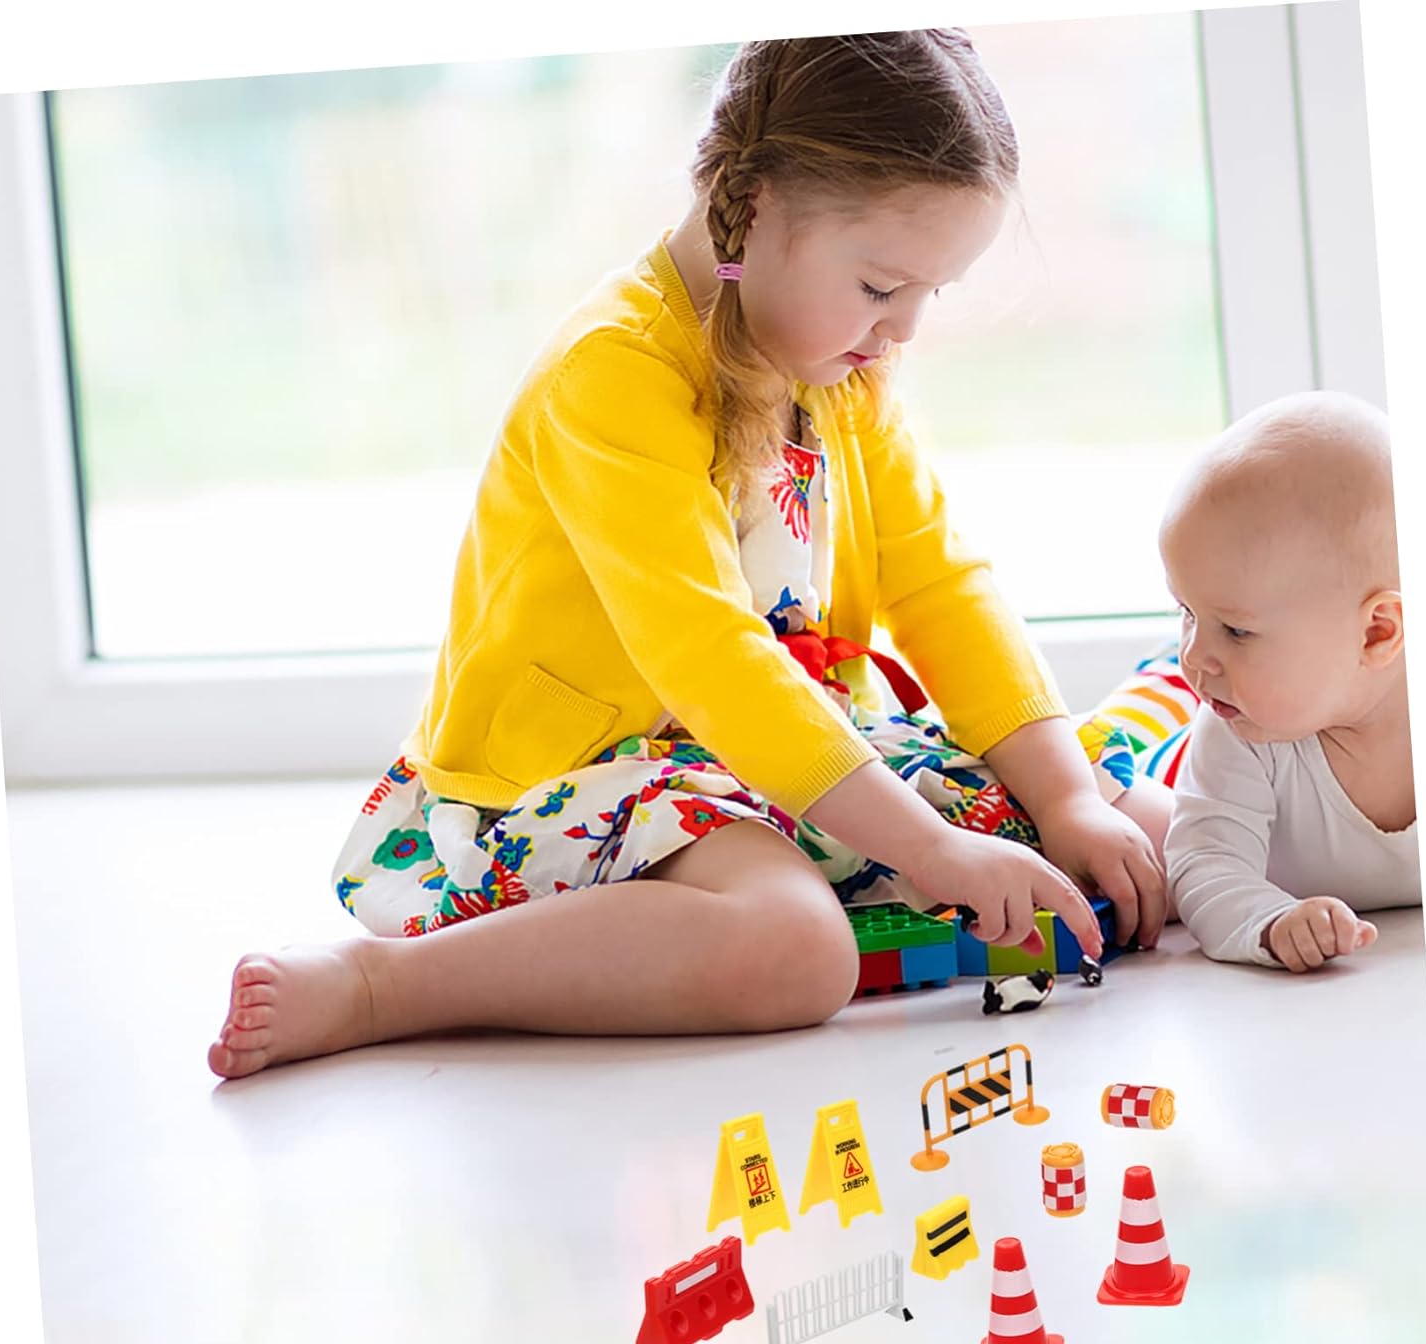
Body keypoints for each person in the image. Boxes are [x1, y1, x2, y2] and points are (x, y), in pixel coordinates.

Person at [209, 30, 1172, 1080]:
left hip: (795, 749)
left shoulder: (840, 365)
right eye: (880, 287)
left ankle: (888, 872)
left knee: (1146, 826)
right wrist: (932, 849)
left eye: (928, 296)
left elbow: (943, 583)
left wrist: (1067, 800)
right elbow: (711, 656)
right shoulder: (612, 372)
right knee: (793, 953)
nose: (902, 331)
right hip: (602, 772)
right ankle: (384, 985)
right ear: (752, 208)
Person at [1160, 391, 1419, 971]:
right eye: (1186, 612)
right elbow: (1204, 865)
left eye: (1236, 630)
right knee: (1138, 830)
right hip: (1167, 758)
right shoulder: (1238, 728)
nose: (1195, 654)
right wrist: (1269, 921)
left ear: (1376, 633)